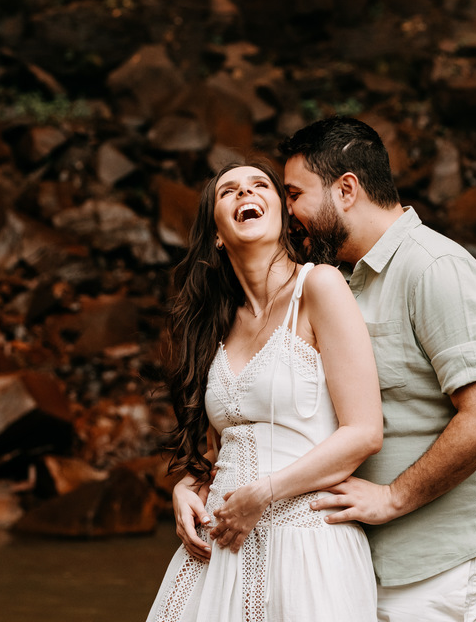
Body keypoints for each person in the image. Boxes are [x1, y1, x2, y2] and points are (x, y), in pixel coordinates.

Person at [175, 119, 476, 622]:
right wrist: (195, 485)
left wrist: (393, 497)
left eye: (293, 193)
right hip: (364, 560)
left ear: (346, 190)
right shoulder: (343, 281)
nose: (289, 209)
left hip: (443, 561)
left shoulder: (434, 268)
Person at [147, 161, 383, 622]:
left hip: (307, 542)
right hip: (221, 545)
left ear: (282, 217)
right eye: (228, 191)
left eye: (259, 186)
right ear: (217, 232)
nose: (244, 193)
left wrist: (265, 494)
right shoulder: (213, 324)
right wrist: (189, 485)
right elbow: (227, 444)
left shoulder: (319, 286)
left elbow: (364, 433)